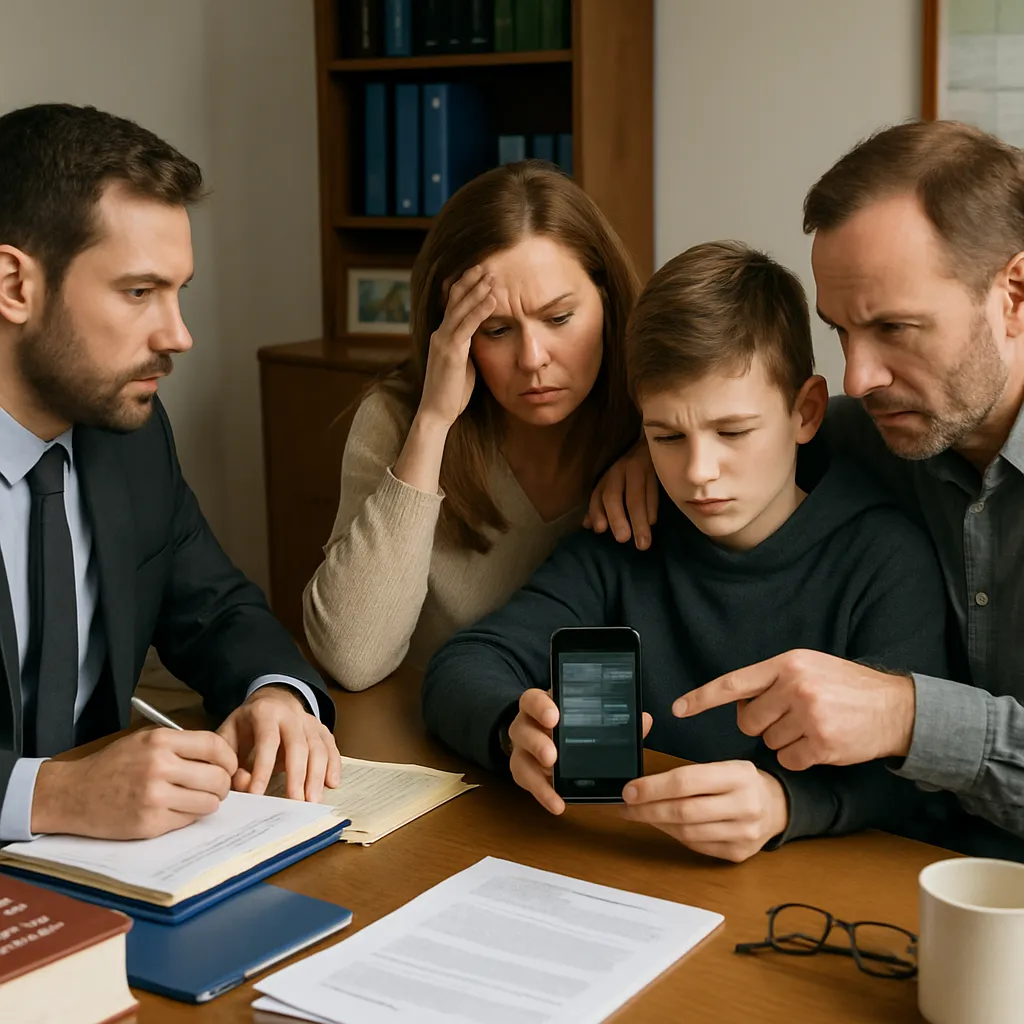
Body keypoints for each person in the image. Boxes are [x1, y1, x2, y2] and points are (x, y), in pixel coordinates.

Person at [422, 241, 950, 863]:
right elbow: (464, 665)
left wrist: (785, 804)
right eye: (667, 436)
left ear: (806, 412)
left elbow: (916, 776)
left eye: (732, 433)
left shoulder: (885, 559)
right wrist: (514, 729)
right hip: (626, 869)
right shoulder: (626, 536)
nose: (699, 472)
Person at [588, 121, 1024, 858]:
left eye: (895, 327)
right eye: (842, 331)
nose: (861, 377)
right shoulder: (881, 425)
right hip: (907, 879)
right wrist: (650, 443)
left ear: (1014, 293)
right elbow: (751, 419)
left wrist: (910, 717)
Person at [0, 103, 341, 843]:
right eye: (138, 292)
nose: (178, 334)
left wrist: (275, 694)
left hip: (113, 871)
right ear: (13, 285)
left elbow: (217, 610)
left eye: (178, 291)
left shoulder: (131, 437)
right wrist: (48, 793)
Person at [303, 161, 641, 691]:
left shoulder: (659, 423)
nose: (533, 358)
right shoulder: (398, 418)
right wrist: (433, 423)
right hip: (439, 743)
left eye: (558, 319)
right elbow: (352, 657)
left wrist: (657, 446)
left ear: (608, 299)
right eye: (497, 329)